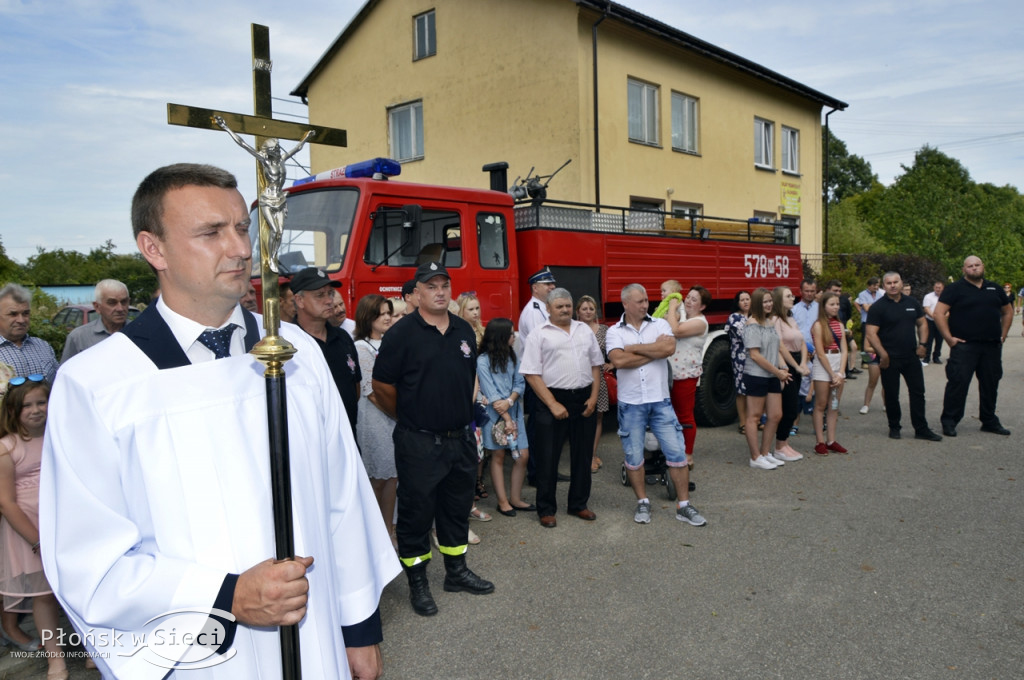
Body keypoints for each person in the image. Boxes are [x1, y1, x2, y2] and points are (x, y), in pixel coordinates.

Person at [40, 163, 400, 679]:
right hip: (204, 655)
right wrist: (227, 595)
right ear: (154, 248)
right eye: (211, 232)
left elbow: (341, 496)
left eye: (242, 228)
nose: (239, 249)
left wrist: (359, 628)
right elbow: (87, 557)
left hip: (316, 635)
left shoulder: (297, 352)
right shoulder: (97, 383)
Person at [372, 261, 494, 617]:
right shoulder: (402, 333)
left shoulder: (463, 330)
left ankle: (456, 572)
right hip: (419, 442)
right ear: (417, 293)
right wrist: (412, 418)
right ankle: (418, 582)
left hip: (461, 439)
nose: (440, 291)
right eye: (432, 286)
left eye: (445, 285)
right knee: (416, 513)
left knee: (456, 509)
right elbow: (382, 387)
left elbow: (466, 378)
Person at [607, 284, 706, 527]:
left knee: (677, 454)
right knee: (634, 456)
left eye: (646, 300)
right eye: (639, 301)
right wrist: (653, 351)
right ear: (626, 304)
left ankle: (684, 506)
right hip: (631, 405)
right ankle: (643, 502)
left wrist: (634, 348)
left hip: (660, 401)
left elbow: (669, 348)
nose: (645, 305)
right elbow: (618, 360)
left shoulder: (660, 324)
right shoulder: (613, 331)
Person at [0, 378, 68, 680]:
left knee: (77, 589)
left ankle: (94, 652)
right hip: (29, 530)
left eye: (41, 402)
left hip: (64, 521)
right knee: (44, 595)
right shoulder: (7, 447)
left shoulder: (60, 436)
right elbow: (6, 503)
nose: (36, 410)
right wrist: (37, 541)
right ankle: (57, 660)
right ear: (14, 410)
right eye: (27, 405)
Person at [520, 288, 602, 528]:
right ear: (548, 308)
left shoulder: (583, 330)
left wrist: (594, 397)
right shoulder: (539, 334)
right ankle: (546, 509)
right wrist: (553, 403)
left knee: (583, 453)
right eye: (560, 306)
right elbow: (531, 373)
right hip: (551, 399)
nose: (565, 310)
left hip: (584, 398)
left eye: (568, 306)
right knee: (547, 457)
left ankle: (578, 504)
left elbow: (596, 365)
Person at [933, 256, 1013, 437]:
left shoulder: (995, 288)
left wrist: (1003, 334)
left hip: (991, 346)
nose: (974, 268)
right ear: (964, 270)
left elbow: (1007, 311)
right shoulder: (954, 289)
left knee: (990, 384)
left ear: (983, 266)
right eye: (970, 266)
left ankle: (989, 420)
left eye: (977, 265)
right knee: (957, 383)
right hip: (964, 347)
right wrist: (949, 339)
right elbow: (939, 313)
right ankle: (950, 421)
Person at [863, 272, 942, 442]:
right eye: (889, 283)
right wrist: (882, 354)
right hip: (889, 358)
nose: (892, 285)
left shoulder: (912, 303)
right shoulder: (878, 307)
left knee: (918, 392)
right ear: (884, 286)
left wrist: (923, 345)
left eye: (895, 282)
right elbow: (871, 333)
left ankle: (921, 428)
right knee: (891, 394)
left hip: (911, 356)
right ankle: (894, 427)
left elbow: (922, 323)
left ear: (901, 283)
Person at [291, 267, 361, 435]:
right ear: (299, 300)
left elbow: (355, 387)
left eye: (330, 293)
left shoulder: (343, 337)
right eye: (320, 295)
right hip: (310, 442)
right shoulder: (289, 343)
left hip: (347, 438)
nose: (329, 300)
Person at [477, 319, 533, 517]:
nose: (514, 336)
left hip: (512, 409)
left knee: (522, 456)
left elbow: (520, 383)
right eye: (511, 334)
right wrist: (507, 418)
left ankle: (516, 498)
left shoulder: (512, 355)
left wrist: (510, 401)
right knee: (499, 455)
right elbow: (490, 393)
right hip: (494, 416)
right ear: (500, 336)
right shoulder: (482, 360)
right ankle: (502, 501)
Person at [353, 295, 398, 547]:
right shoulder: (361, 347)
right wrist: (399, 415)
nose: (388, 317)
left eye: (389, 312)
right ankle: (373, 536)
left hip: (394, 416)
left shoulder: (391, 343)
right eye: (382, 314)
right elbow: (371, 392)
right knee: (377, 478)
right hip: (375, 418)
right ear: (368, 317)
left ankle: (388, 530)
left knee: (392, 476)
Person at [742, 288, 789, 470]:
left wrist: (782, 367)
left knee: (775, 415)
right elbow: (754, 355)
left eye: (770, 301)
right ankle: (755, 457)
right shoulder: (752, 324)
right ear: (757, 304)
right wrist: (777, 372)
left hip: (771, 374)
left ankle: (765, 453)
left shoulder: (769, 323)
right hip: (756, 375)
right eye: (765, 302)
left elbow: (775, 350)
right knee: (753, 417)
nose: (769, 304)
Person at [665, 286, 710, 468]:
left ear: (703, 306)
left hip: (685, 376)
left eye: (694, 299)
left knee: (684, 415)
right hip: (670, 374)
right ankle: (672, 451)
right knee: (669, 415)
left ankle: (688, 454)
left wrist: (671, 306)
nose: (689, 301)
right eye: (688, 297)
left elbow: (675, 330)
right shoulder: (683, 317)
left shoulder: (701, 322)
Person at [575, 295, 611, 473]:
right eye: (584, 309)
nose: (588, 312)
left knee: (597, 418)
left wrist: (611, 364)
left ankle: (591, 454)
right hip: (578, 380)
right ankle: (582, 455)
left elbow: (615, 351)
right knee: (581, 419)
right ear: (578, 312)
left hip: (599, 381)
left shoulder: (604, 330)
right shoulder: (573, 329)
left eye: (591, 308)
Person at [772, 286, 808, 461]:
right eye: (788, 296)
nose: (793, 298)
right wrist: (795, 366)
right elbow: (779, 346)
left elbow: (801, 341)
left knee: (793, 407)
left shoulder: (790, 318)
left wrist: (802, 362)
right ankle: (779, 446)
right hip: (785, 365)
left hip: (796, 362)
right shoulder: (776, 320)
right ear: (779, 300)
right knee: (789, 407)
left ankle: (784, 443)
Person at [811, 292, 849, 455]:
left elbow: (845, 349)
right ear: (824, 306)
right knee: (820, 404)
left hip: (837, 361)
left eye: (837, 304)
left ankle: (831, 440)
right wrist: (832, 374)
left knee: (834, 404)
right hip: (823, 364)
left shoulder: (839, 325)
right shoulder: (818, 325)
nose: (836, 307)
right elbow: (819, 353)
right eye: (832, 304)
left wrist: (840, 372)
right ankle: (820, 441)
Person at [60, 279, 131, 363]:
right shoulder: (79, 337)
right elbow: (66, 372)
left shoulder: (141, 332)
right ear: (97, 307)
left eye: (124, 302)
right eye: (112, 303)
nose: (120, 308)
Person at [0, 284, 58, 385]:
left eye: (25, 313)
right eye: (13, 314)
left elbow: (58, 385)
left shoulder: (43, 346)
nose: (21, 320)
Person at [790, 280, 819, 417]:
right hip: (800, 351)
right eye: (806, 291)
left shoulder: (821, 309)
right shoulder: (793, 310)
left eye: (812, 291)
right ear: (800, 291)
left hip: (817, 350)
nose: (809, 294)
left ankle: (818, 412)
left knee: (818, 382)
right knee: (800, 382)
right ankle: (795, 414)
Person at [726, 291, 751, 434]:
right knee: (741, 390)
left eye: (748, 299)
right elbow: (745, 335)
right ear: (738, 302)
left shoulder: (754, 316)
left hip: (755, 357)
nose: (746, 302)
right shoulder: (734, 318)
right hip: (740, 357)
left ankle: (754, 420)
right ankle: (742, 422)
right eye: (742, 300)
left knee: (753, 390)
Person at [517, 267, 556, 342]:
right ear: (535, 288)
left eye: (553, 283)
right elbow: (538, 341)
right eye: (547, 284)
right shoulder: (533, 311)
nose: (553, 287)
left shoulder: (543, 306)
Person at [922, 281, 945, 364]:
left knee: (939, 340)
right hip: (930, 321)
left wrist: (943, 317)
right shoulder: (928, 296)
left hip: (941, 321)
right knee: (929, 340)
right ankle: (926, 358)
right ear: (933, 287)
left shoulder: (946, 296)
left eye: (939, 287)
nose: (938, 289)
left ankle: (936, 357)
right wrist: (935, 317)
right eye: (936, 287)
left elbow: (949, 309)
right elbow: (926, 308)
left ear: (943, 287)